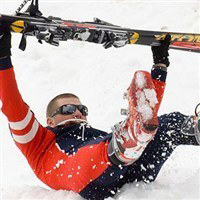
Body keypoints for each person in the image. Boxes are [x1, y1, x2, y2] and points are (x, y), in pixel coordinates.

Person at [0, 23, 199, 200]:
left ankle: (190, 130)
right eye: (68, 109)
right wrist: (2, 57)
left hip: (132, 168)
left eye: (81, 109)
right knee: (99, 148)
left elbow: (148, 119)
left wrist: (160, 65)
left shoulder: (94, 134)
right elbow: (12, 106)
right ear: (50, 121)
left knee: (169, 124)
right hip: (90, 178)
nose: (77, 113)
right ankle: (126, 141)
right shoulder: (37, 142)